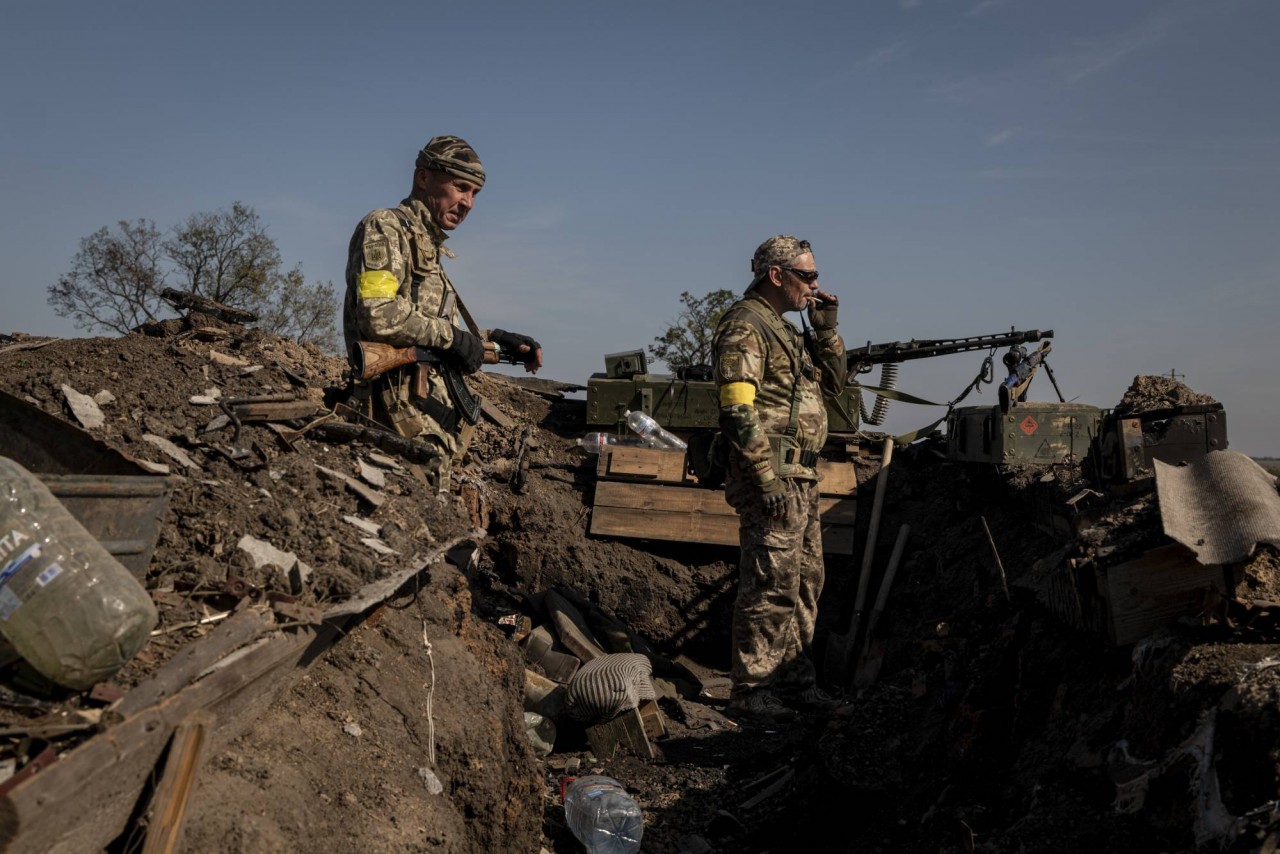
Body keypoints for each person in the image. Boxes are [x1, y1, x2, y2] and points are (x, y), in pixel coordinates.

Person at [344, 135, 542, 492]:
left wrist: (496, 341)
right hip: (393, 410)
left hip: (423, 411)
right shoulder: (385, 227)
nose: (468, 203)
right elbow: (378, 314)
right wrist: (453, 337)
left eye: (475, 194)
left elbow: (433, 331)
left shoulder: (427, 245)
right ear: (424, 177)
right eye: (460, 187)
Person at [712, 235, 848, 721]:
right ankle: (752, 690)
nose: (815, 285)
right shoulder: (745, 325)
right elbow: (737, 408)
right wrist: (764, 478)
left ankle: (794, 682)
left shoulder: (786, 330)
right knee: (770, 583)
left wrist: (827, 331)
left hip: (801, 474)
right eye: (807, 276)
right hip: (772, 475)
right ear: (776, 275)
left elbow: (835, 385)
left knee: (806, 580)